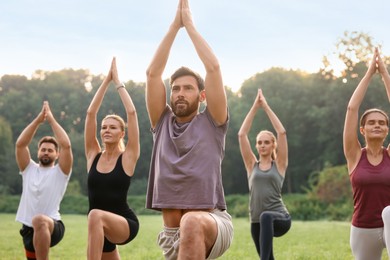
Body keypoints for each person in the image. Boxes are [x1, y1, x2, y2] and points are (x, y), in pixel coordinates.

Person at [145, 0, 233, 259]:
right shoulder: (162, 124)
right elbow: (152, 74)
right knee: (184, 227)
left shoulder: (213, 122)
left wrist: (190, 26)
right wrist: (174, 26)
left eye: (188, 88)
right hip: (172, 235)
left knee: (191, 221)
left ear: (202, 95)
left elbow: (213, 68)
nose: (180, 93)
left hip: (212, 222)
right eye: (175, 88)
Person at [84, 57, 140, 260]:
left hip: (124, 224)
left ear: (121, 133)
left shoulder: (128, 157)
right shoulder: (93, 155)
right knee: (95, 217)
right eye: (104, 127)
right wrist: (105, 81)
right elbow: (91, 113)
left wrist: (117, 83)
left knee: (95, 214)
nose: (107, 130)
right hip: (99, 228)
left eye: (113, 127)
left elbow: (132, 113)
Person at [343, 47, 390, 260]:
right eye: (371, 122)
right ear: (362, 130)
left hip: (389, 224)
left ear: (387, 129)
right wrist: (369, 73)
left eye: (382, 123)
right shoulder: (354, 155)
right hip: (363, 229)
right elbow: (352, 109)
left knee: (389, 213)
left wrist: (386, 75)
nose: (377, 125)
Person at [15, 101, 73, 260]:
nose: (46, 152)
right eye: (43, 149)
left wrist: (52, 120)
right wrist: (38, 121)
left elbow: (66, 145)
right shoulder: (28, 169)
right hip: (28, 228)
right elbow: (20, 145)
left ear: (57, 154)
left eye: (50, 150)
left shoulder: (61, 172)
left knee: (39, 219)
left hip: (53, 225)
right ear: (38, 152)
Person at [238, 89, 291, 259]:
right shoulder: (251, 165)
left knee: (266, 216)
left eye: (266, 142)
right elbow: (242, 134)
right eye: (259, 142)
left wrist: (266, 107)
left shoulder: (280, 165)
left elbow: (281, 132)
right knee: (268, 258)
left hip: (279, 219)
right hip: (256, 221)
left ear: (273, 145)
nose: (262, 145)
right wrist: (255, 106)